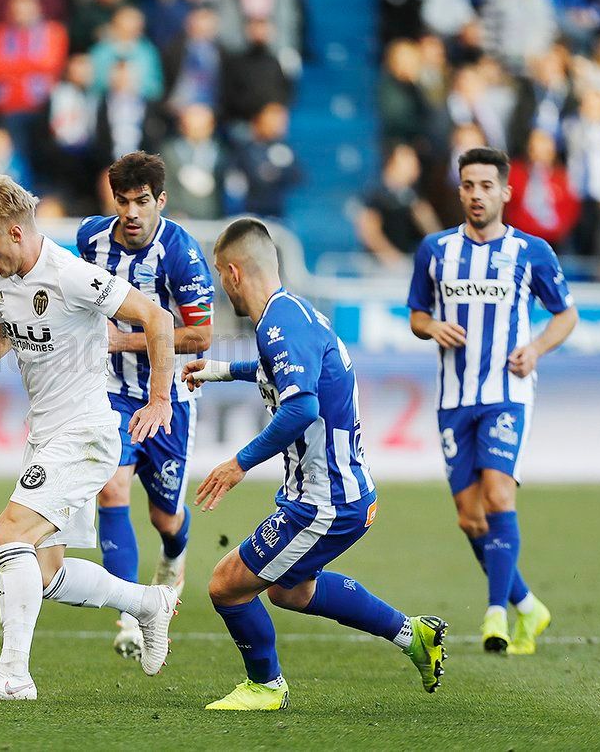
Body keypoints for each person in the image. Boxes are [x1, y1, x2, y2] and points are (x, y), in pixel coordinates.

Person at [0, 175, 179, 700]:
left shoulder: (72, 275)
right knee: (46, 573)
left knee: (8, 536)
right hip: (48, 436)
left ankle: (13, 675)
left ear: (14, 231)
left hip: (86, 436)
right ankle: (148, 603)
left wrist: (158, 397)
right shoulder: (3, 278)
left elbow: (157, 318)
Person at [182, 217, 448, 711]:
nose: (223, 286)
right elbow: (285, 372)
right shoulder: (293, 314)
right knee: (290, 590)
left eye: (222, 275)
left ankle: (265, 686)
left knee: (226, 586)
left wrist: (238, 464)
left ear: (235, 274)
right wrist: (222, 370)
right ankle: (413, 637)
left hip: (324, 502)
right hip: (339, 493)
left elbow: (301, 406)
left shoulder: (279, 324)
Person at [407, 147, 578, 655]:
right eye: (468, 186)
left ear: (505, 191)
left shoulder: (532, 252)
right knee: (469, 516)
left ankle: (496, 612)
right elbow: (416, 313)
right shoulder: (435, 250)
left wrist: (537, 347)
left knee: (500, 496)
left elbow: (565, 314)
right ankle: (528, 605)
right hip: (454, 399)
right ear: (458, 191)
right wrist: (431, 326)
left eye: (486, 186)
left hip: (507, 394)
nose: (476, 195)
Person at [76, 152, 213, 660]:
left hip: (168, 396)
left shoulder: (181, 253)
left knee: (165, 519)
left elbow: (201, 336)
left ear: (161, 200)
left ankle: (174, 560)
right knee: (111, 489)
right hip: (109, 392)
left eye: (142, 201)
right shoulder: (90, 239)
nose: (131, 212)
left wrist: (124, 341)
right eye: (123, 201)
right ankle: (131, 613)